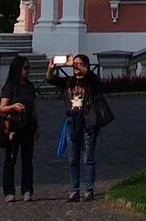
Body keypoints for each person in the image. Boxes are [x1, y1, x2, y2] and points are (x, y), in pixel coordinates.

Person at [49, 53, 110, 203]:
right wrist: (51, 68)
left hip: (88, 123)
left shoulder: (91, 82)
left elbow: (91, 76)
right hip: (72, 122)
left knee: (88, 158)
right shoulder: (69, 82)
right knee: (72, 160)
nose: (75, 67)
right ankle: (74, 190)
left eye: (79, 64)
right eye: (74, 64)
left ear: (86, 66)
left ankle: (89, 190)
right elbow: (51, 79)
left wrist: (74, 64)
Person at [0, 54, 38, 204]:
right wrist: (14, 106)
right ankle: (9, 191)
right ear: (18, 69)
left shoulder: (30, 86)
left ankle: (27, 190)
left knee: (28, 160)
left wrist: (37, 126)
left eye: (29, 68)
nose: (28, 71)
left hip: (28, 126)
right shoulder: (9, 87)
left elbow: (34, 108)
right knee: (11, 159)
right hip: (13, 127)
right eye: (25, 68)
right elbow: (2, 109)